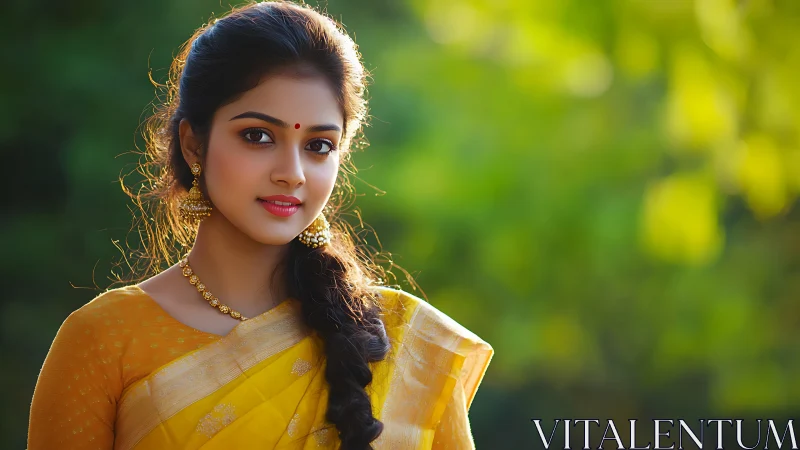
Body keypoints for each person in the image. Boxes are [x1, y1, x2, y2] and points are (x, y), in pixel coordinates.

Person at [26, 1, 493, 449]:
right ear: (193, 145)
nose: (291, 172)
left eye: (319, 145)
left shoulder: (394, 341)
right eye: (258, 136)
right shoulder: (105, 339)